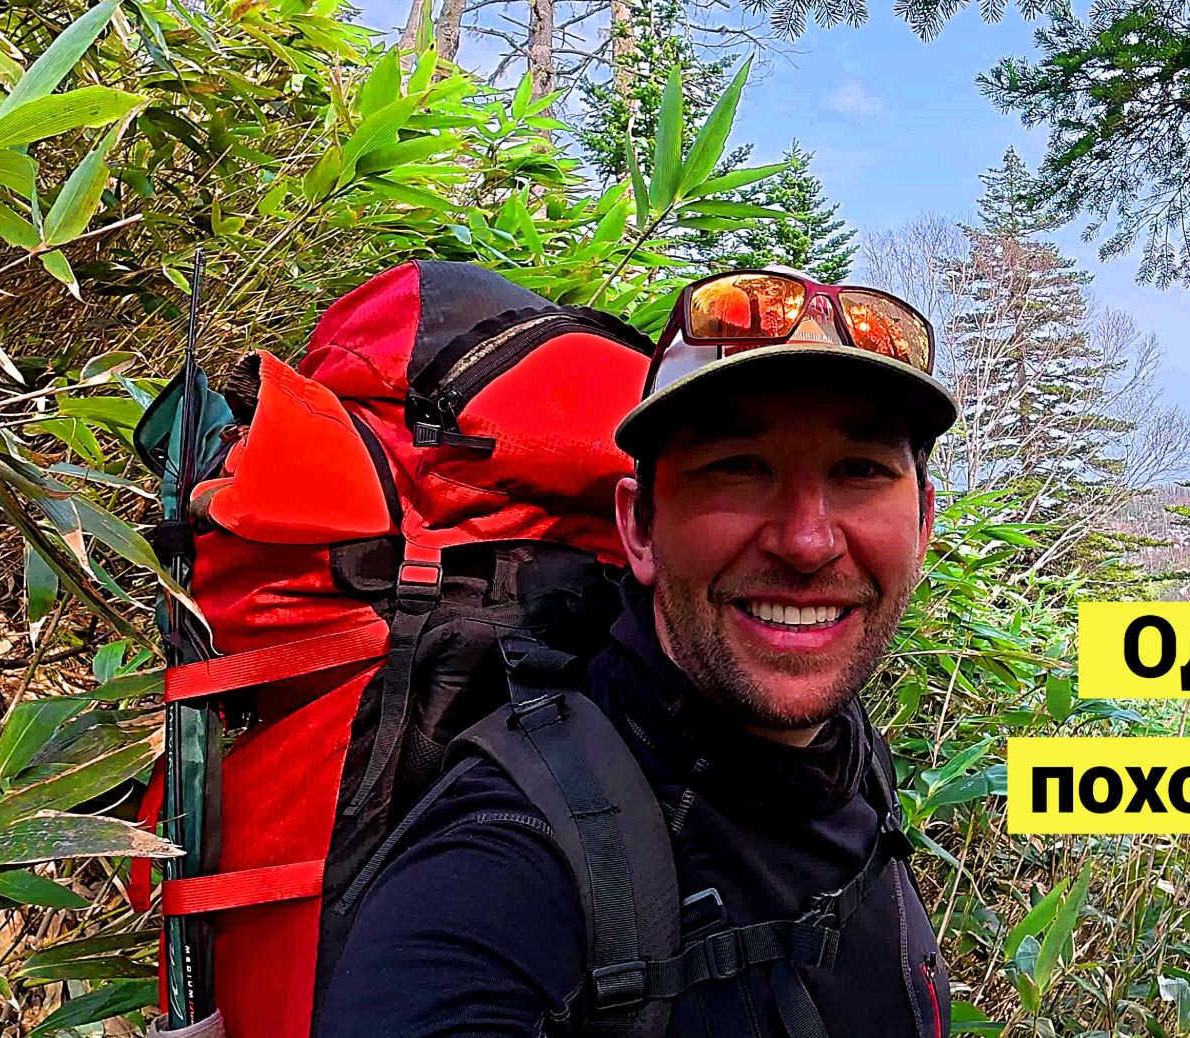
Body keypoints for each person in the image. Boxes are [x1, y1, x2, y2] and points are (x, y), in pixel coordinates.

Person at [321, 267, 960, 1037]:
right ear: (641, 528)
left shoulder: (854, 758)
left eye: (860, 472)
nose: (806, 541)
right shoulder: (503, 866)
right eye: (738, 467)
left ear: (922, 524)